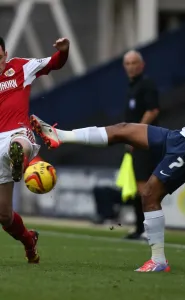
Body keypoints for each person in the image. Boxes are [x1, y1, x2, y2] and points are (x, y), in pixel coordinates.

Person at [31, 43, 185, 272]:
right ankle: (60, 136)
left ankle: (158, 261)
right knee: (122, 129)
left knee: (148, 193)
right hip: (180, 137)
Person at [0, 36, 69, 263]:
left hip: (16, 132)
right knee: (4, 216)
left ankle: (20, 159)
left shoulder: (22, 67)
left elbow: (54, 63)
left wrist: (64, 51)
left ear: (6, 54)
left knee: (19, 143)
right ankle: (29, 242)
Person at [122, 50, 159, 240]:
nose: (131, 66)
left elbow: (152, 110)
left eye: (134, 63)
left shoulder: (147, 85)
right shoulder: (132, 87)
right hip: (134, 143)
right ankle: (139, 228)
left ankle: (150, 229)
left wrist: (137, 133)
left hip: (144, 142)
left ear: (142, 65)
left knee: (145, 187)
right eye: (127, 63)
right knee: (137, 187)